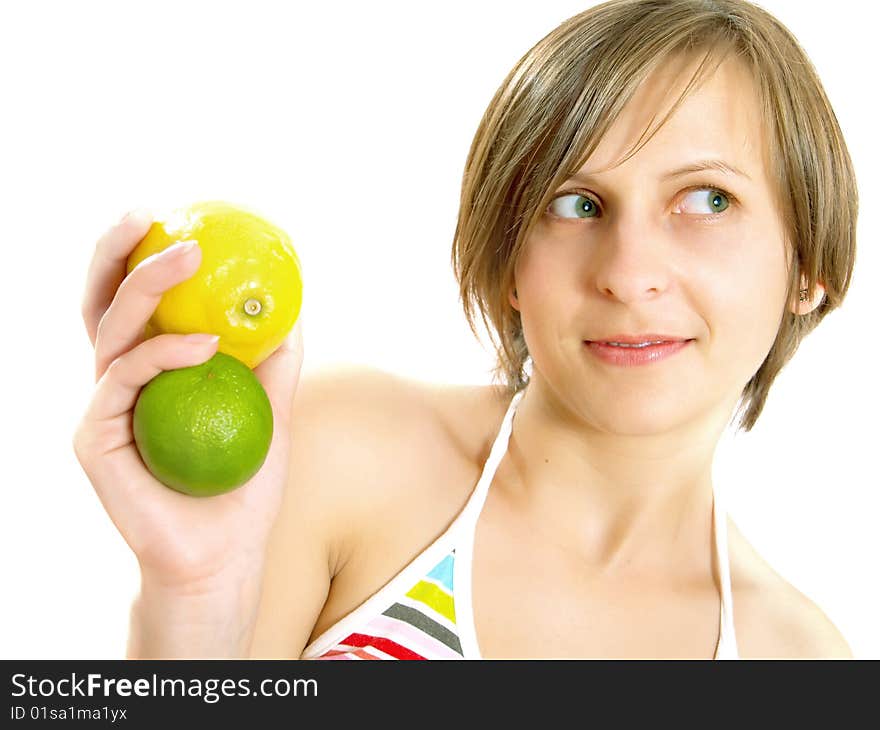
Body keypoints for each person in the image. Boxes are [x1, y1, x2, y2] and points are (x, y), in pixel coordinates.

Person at [73, 0, 857, 659]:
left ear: (806, 265)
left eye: (708, 200)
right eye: (575, 203)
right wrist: (195, 599)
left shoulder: (798, 658)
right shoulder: (340, 453)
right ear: (511, 263)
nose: (629, 271)